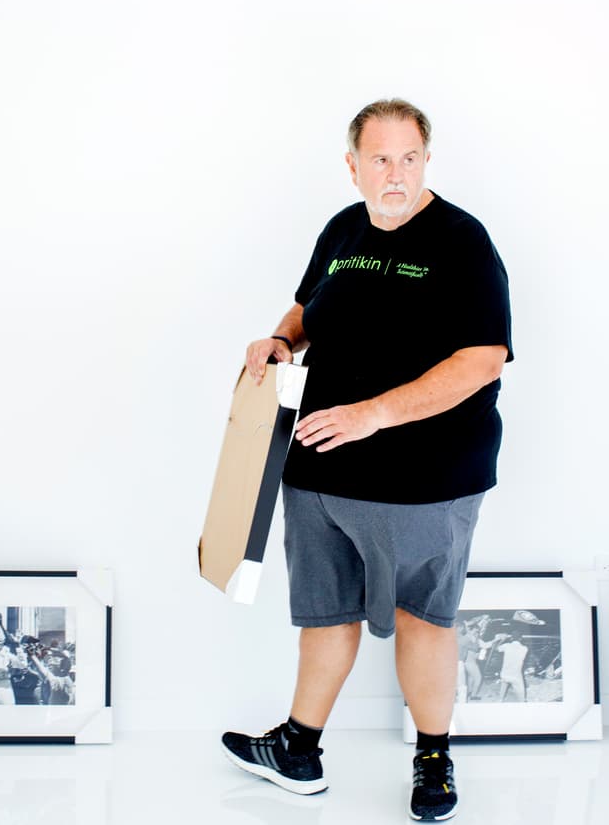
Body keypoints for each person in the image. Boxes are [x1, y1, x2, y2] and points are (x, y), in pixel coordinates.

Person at [220, 99, 513, 821]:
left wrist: (373, 414)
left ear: (427, 160)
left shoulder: (461, 240)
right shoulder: (342, 229)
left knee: (422, 617)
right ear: (353, 166)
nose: (396, 173)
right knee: (326, 613)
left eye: (410, 158)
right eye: (380, 159)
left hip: (423, 476)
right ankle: (299, 746)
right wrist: (279, 342)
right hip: (317, 467)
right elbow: (305, 311)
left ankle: (434, 759)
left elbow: (483, 360)